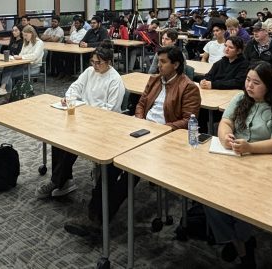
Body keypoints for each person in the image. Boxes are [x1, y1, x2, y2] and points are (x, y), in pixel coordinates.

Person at [64, 47, 201, 237]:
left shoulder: (188, 87)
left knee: (129, 171)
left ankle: (98, 222)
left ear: (176, 65)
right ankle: (93, 215)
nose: (158, 65)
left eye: (163, 62)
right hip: (141, 130)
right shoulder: (154, 80)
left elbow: (189, 120)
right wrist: (139, 120)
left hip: (165, 137)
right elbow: (141, 104)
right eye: (158, 61)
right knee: (109, 165)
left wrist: (160, 129)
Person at [205, 61, 272, 268]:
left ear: (269, 85)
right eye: (248, 80)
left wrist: (250, 147)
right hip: (237, 160)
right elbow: (226, 122)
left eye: (256, 82)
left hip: (266, 167)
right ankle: (240, 241)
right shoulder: (240, 99)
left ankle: (240, 243)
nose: (249, 86)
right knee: (207, 195)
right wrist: (224, 138)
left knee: (242, 200)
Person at [37, 42, 124, 199]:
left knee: (72, 141)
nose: (95, 65)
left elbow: (110, 111)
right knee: (58, 139)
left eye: (99, 63)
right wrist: (68, 98)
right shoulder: (89, 71)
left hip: (103, 125)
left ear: (109, 62)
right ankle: (65, 181)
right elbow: (75, 87)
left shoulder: (115, 80)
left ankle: (58, 181)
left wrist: (87, 117)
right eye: (93, 61)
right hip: (84, 118)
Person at [0, 25, 45, 96]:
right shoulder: (26, 42)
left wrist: (21, 57)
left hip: (33, 67)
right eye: (24, 35)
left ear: (31, 33)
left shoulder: (39, 43)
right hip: (23, 65)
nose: (24, 37)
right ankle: (5, 91)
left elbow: (34, 56)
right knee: (7, 69)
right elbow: (21, 54)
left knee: (7, 73)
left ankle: (5, 92)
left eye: (26, 35)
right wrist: (14, 57)